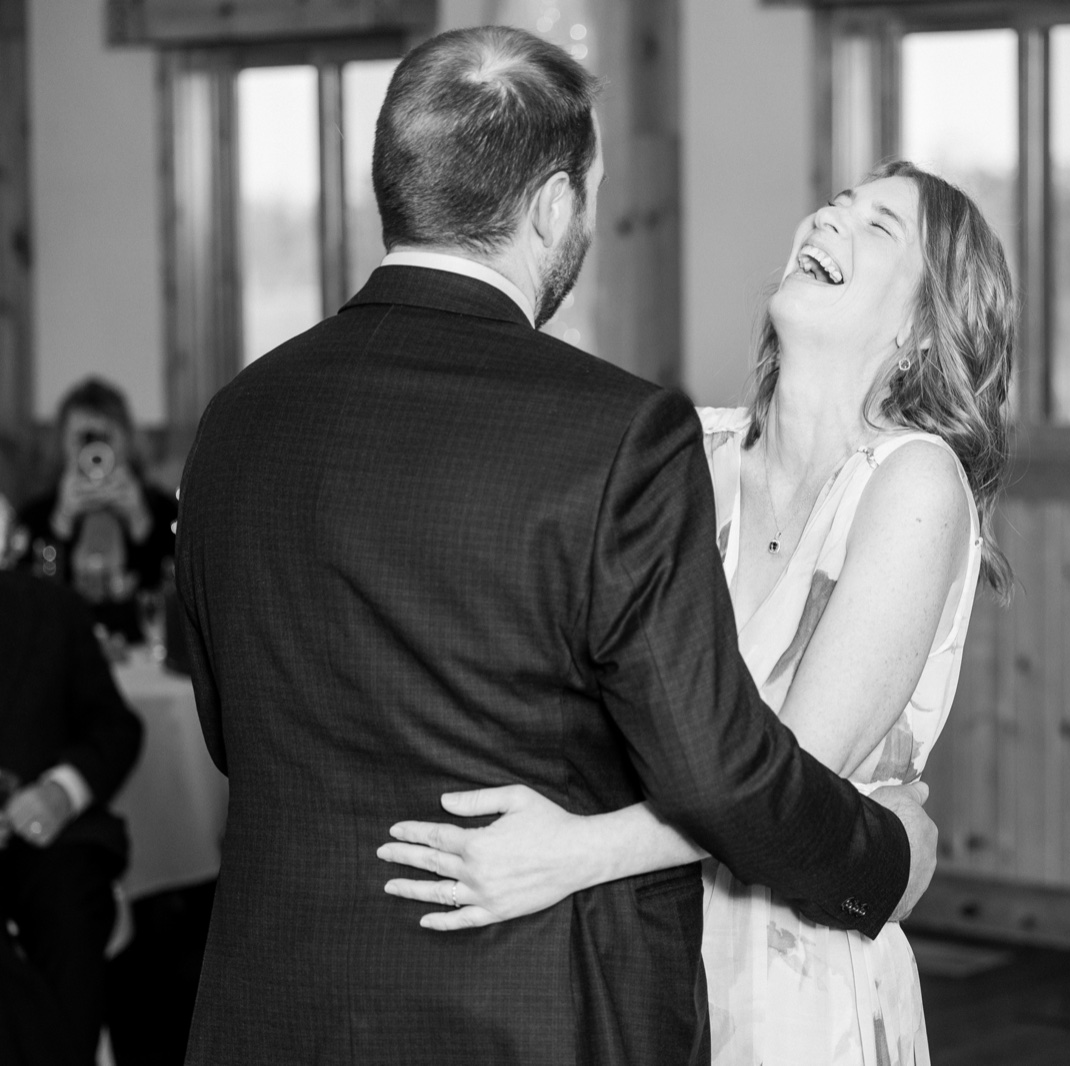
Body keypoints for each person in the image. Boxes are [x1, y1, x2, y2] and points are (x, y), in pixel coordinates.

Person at [173, 26, 936, 1066]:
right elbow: (717, 773)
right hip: (528, 1010)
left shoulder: (236, 419)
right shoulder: (617, 435)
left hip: (277, 1003)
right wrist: (880, 855)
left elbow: (231, 730)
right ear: (550, 207)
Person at [380, 161, 1016, 1064]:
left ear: (922, 331)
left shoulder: (914, 482)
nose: (832, 219)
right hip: (637, 945)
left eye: (879, 228)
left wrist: (568, 855)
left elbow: (787, 785)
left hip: (796, 974)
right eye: (839, 204)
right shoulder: (681, 452)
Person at [0, 569, 145, 1065]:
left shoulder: (49, 607)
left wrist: (63, 792)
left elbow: (115, 726)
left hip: (49, 839)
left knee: (71, 911)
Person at [15, 378, 178, 645]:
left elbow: (177, 589)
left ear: (126, 441)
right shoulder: (37, 515)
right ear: (62, 445)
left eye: (105, 438)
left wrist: (141, 524)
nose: (94, 451)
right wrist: (60, 524)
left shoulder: (160, 510)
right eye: (83, 439)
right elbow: (24, 597)